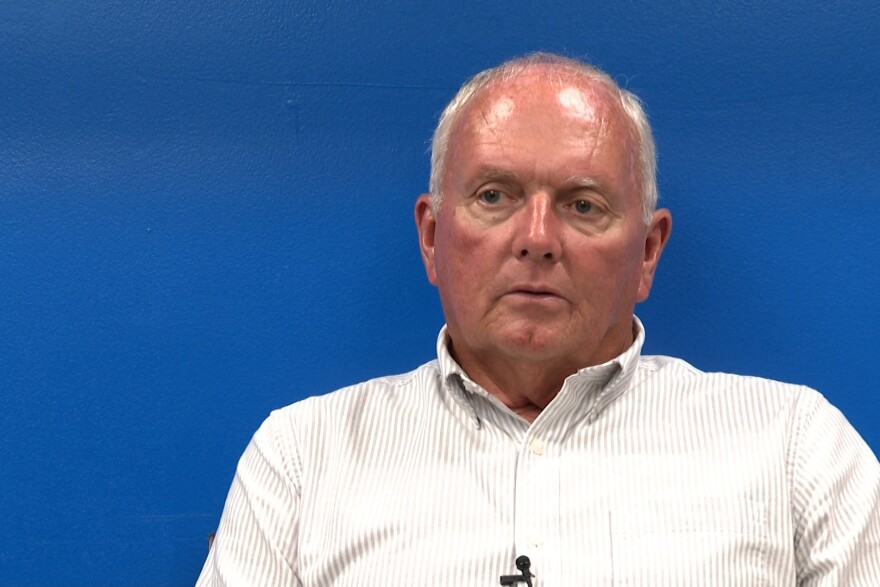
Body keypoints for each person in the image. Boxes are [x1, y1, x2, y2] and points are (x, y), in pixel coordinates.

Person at [195, 53, 880, 586]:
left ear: (647, 252)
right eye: (495, 195)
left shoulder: (796, 449)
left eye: (583, 204)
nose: (537, 236)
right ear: (432, 238)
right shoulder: (302, 459)